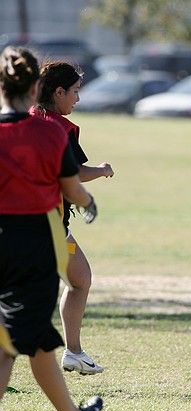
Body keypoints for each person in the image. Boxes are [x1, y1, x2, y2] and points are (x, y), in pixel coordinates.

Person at [0, 46, 103, 411]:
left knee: (27, 340)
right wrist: (89, 202)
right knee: (19, 341)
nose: (77, 96)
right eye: (74, 90)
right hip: (37, 242)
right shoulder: (49, 131)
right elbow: (72, 187)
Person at [30, 61, 114, 375]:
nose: (77, 99)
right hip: (44, 223)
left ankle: (74, 352)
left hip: (20, 218)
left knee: (79, 279)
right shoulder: (60, 128)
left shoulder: (26, 119)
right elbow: (74, 173)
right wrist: (103, 170)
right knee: (70, 283)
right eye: (75, 92)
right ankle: (72, 352)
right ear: (58, 91)